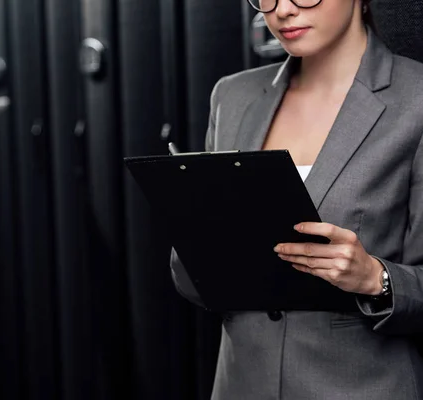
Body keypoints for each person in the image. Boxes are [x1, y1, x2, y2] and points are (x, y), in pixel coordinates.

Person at [171, 0, 423, 398]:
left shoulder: (417, 100)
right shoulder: (232, 96)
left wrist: (376, 278)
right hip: (242, 384)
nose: (282, 10)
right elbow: (194, 279)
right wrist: (195, 240)